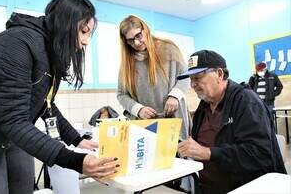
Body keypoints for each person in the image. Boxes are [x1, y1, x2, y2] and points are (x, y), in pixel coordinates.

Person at [0, 0, 118, 194]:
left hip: (12, 133)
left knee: (23, 186)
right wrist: (76, 160)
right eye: (83, 32)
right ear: (65, 23)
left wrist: (76, 140)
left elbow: (46, 104)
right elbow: (13, 120)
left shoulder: (50, 52)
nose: (85, 42)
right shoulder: (16, 43)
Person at [177, 50, 286, 194]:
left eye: (197, 77)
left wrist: (208, 153)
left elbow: (260, 154)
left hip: (243, 187)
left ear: (220, 74)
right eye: (191, 79)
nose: (193, 85)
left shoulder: (246, 101)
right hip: (203, 186)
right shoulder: (203, 106)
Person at [117, 15, 191, 133]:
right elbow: (121, 94)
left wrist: (175, 96)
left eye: (138, 35)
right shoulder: (127, 63)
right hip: (146, 125)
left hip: (174, 120)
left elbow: (186, 76)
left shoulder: (168, 48)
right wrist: (138, 109)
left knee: (178, 150)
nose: (136, 42)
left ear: (145, 29)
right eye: (130, 40)